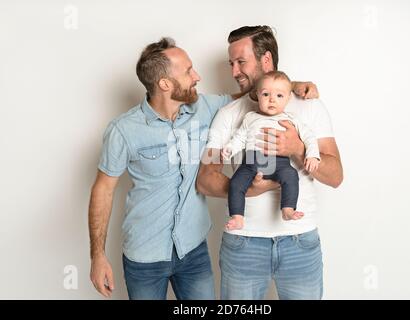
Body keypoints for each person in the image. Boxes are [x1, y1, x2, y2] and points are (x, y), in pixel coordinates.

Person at [88, 36, 319, 300]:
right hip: (144, 255)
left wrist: (293, 87)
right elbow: (103, 190)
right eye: (188, 71)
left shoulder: (205, 108)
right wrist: (98, 256)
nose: (197, 76)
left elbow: (253, 95)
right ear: (164, 84)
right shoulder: (123, 130)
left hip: (193, 252)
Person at [197, 25, 343, 300]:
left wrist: (298, 149)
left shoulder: (309, 107)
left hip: (300, 242)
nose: (234, 72)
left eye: (241, 62)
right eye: (230, 63)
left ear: (266, 60)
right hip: (243, 245)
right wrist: (247, 190)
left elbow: (336, 176)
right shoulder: (229, 114)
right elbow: (205, 178)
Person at [222, 71, 320, 230]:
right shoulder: (250, 117)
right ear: (257, 96)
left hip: (279, 163)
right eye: (266, 94)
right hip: (251, 162)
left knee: (291, 175)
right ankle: (237, 217)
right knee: (236, 183)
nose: (272, 99)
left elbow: (309, 137)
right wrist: (230, 149)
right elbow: (240, 137)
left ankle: (288, 209)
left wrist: (313, 156)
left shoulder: (290, 119)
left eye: (279, 96)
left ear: (288, 98)